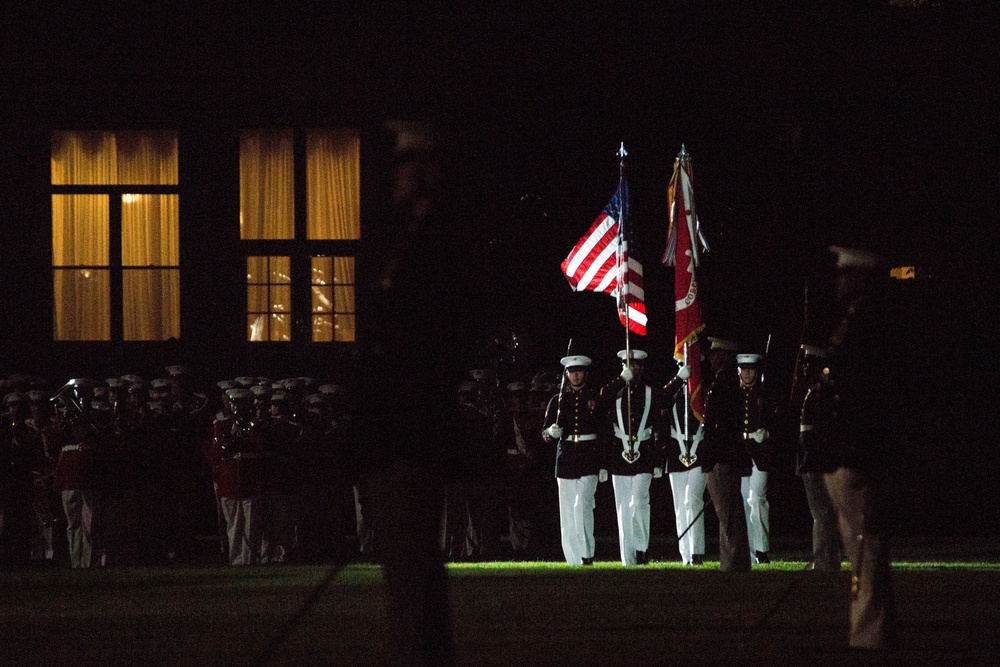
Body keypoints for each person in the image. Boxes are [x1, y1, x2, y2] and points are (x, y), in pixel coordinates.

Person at [822, 245, 898, 650]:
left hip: (860, 452)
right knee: (862, 547)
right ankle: (874, 627)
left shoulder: (868, 326)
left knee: (866, 547)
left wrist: (855, 452)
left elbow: (867, 399)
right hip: (853, 450)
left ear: (861, 279)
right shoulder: (858, 322)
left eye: (845, 275)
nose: (839, 282)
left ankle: (869, 633)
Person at [542, 354, 630, 566]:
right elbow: (545, 433)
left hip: (589, 458)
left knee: (582, 506)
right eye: (572, 372)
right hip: (565, 459)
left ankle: (587, 554)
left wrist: (602, 464)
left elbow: (603, 430)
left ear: (586, 373)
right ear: (567, 374)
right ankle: (572, 559)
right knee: (567, 512)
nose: (576, 375)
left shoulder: (594, 397)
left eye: (579, 371)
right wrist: (550, 432)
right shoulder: (558, 400)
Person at [604, 349, 666, 566]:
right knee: (623, 507)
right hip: (618, 454)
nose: (633, 368)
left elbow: (659, 426)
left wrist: (659, 459)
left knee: (639, 502)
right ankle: (627, 557)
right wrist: (621, 380)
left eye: (637, 364)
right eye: (629, 364)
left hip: (645, 453)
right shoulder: (615, 391)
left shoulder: (651, 392)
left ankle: (641, 548)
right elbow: (601, 401)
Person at [701, 338, 752, 572]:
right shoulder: (725, 383)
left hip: (723, 458)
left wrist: (711, 458)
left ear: (724, 357)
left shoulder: (726, 385)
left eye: (715, 354)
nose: (711, 358)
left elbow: (720, 429)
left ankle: (735, 563)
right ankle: (731, 562)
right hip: (723, 457)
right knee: (728, 515)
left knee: (729, 515)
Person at [795, 344, 841, 571]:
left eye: (807, 364)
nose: (803, 368)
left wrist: (809, 463)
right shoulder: (818, 393)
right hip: (818, 461)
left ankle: (824, 561)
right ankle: (829, 560)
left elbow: (816, 434)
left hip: (816, 463)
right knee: (825, 514)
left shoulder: (819, 394)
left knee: (822, 514)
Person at [663, 357, 707, 566]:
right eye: (682, 365)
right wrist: (678, 381)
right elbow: (659, 400)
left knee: (693, 500)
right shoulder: (673, 391)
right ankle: (685, 554)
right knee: (680, 505)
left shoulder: (703, 390)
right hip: (676, 451)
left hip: (699, 448)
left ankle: (696, 551)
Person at [735, 353, 776, 565]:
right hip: (741, 452)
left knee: (757, 499)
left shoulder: (765, 395)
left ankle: (761, 548)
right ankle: (748, 549)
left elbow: (777, 422)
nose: (747, 373)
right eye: (744, 369)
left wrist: (766, 433)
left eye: (751, 369)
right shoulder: (735, 395)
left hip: (760, 453)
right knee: (742, 501)